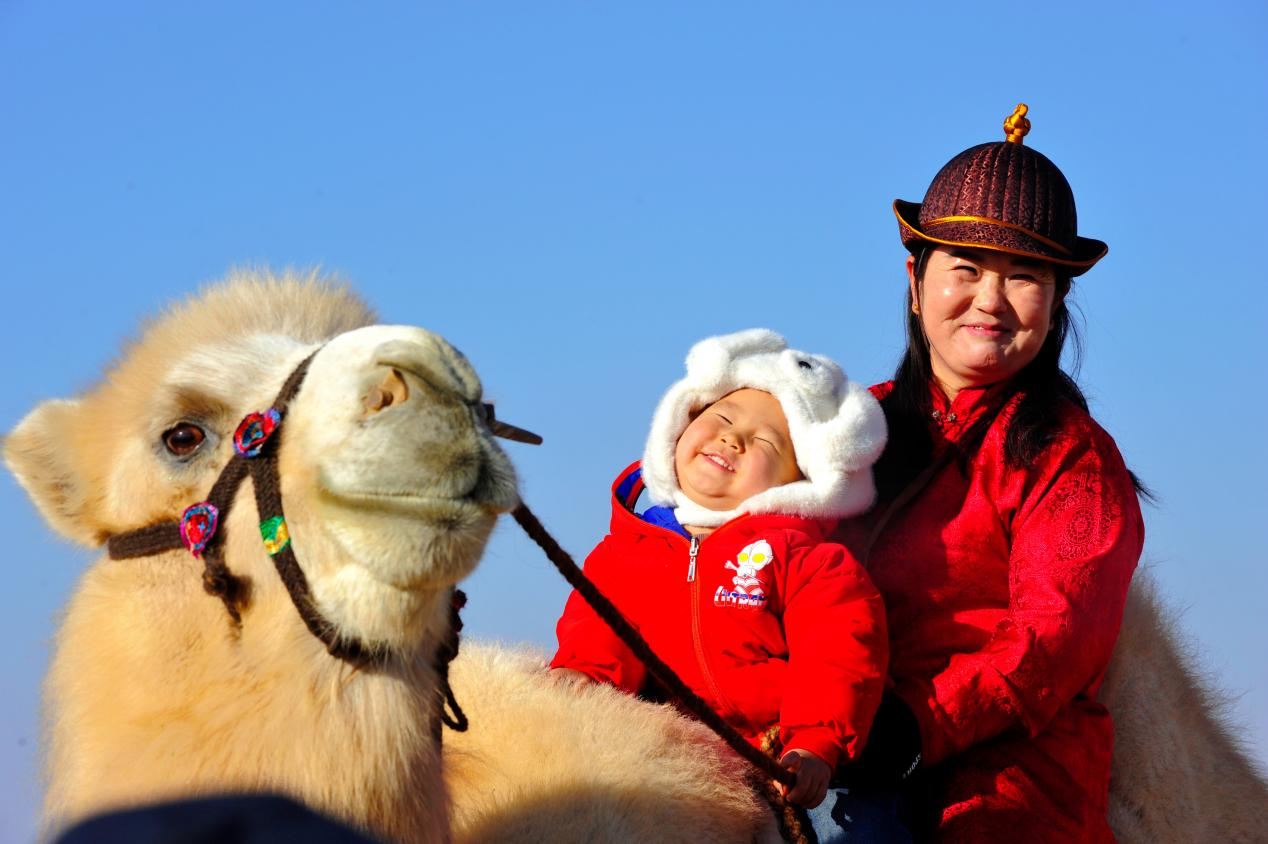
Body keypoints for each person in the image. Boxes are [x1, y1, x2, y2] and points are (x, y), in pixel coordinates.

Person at [835, 105, 1146, 841]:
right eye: (966, 270)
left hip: (1003, 775)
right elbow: (719, 498)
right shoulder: (843, 425)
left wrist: (914, 727)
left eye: (1024, 276)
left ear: (1057, 301)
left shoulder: (1072, 458)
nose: (990, 301)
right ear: (916, 282)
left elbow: (1055, 638)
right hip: (828, 732)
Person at [550, 329, 891, 824]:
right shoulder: (626, 550)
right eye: (722, 419)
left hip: (780, 759)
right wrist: (579, 679)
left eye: (765, 443)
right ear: (679, 424)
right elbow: (597, 636)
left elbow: (837, 654)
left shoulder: (806, 559)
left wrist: (815, 742)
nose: (733, 439)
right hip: (665, 754)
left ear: (796, 484)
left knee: (854, 827)